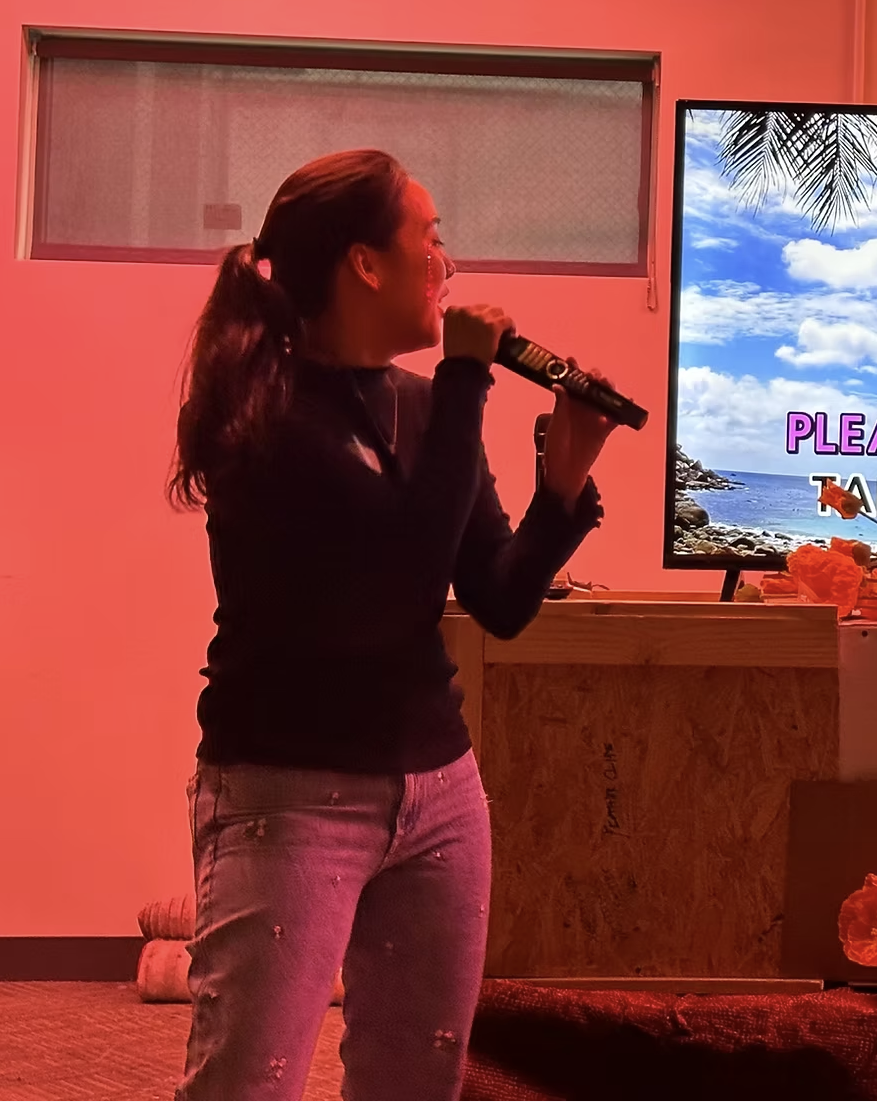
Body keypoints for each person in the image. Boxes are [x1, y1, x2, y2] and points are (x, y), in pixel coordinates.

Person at [165, 149, 617, 1100]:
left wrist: (564, 481)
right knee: (247, 1086)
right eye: (432, 236)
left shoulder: (423, 407)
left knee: (415, 1083)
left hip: (441, 794)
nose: (447, 264)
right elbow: (396, 582)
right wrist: (466, 381)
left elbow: (496, 597)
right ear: (366, 264)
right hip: (286, 798)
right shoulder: (265, 417)